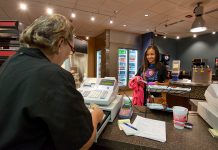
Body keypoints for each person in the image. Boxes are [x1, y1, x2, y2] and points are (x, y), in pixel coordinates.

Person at [0, 14, 104, 150]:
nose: (68, 56)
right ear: (60, 43)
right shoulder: (54, 75)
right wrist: (96, 115)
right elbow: (81, 144)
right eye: (71, 50)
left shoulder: (10, 63)